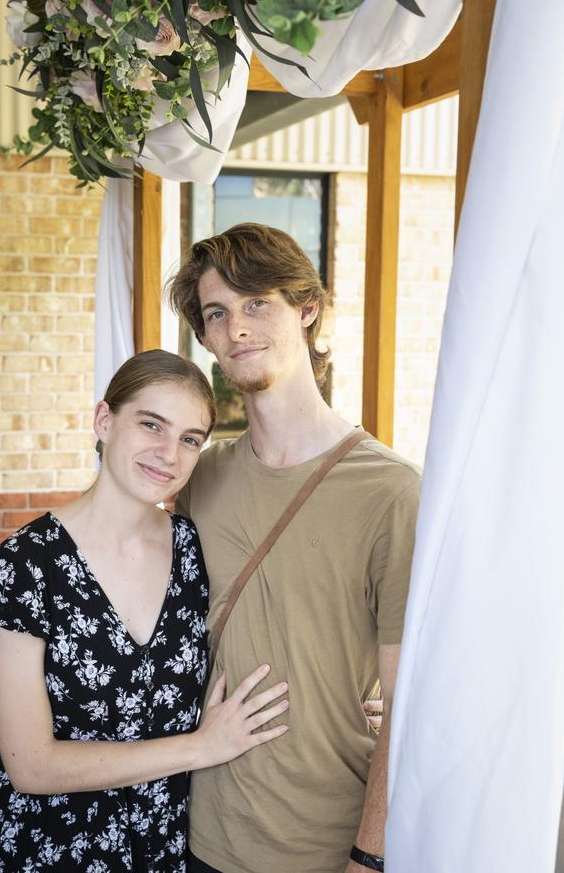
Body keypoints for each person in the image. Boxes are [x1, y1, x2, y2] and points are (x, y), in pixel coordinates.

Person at [0, 350, 289, 873]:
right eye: (151, 425)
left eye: (190, 439)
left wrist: (358, 696)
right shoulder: (24, 566)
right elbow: (31, 766)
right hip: (54, 845)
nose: (169, 452)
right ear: (104, 421)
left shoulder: (194, 550)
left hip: (163, 840)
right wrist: (201, 748)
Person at [167, 223, 421, 873]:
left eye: (257, 303)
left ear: (306, 308)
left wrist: (369, 855)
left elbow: (407, 705)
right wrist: (33, 658)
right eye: (218, 314)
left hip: (326, 845)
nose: (237, 328)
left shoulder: (391, 492)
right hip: (202, 836)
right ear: (206, 339)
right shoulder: (199, 479)